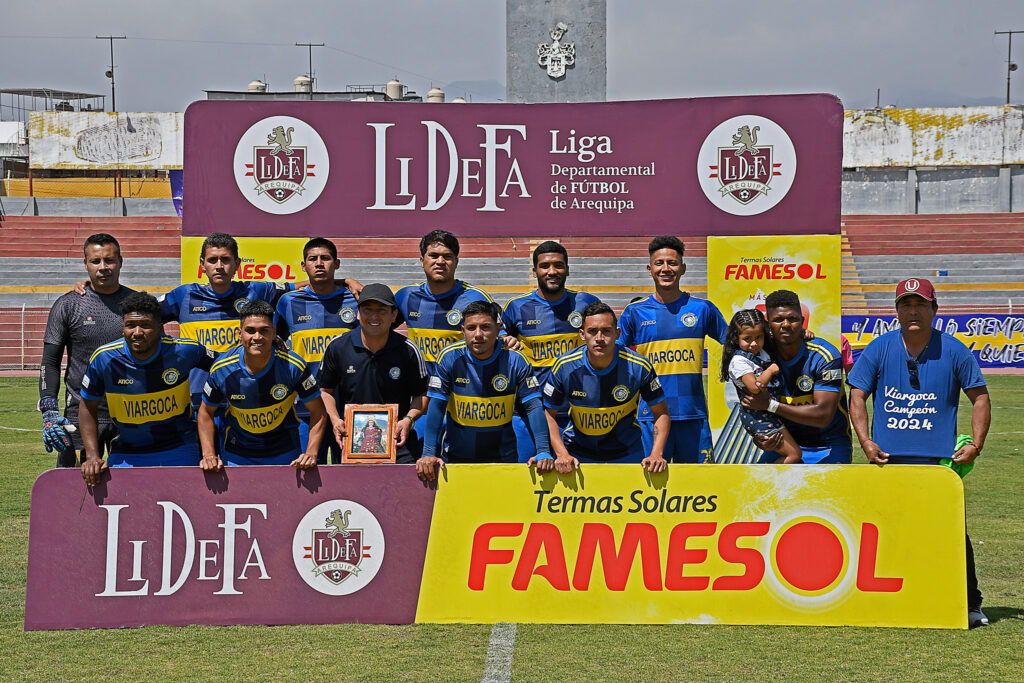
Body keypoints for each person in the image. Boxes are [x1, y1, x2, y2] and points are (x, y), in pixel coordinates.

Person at [847, 277, 991, 628]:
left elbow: (980, 398)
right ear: (896, 311)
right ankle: (892, 597)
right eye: (905, 305)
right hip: (887, 460)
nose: (913, 311)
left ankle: (970, 602)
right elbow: (856, 397)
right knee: (885, 530)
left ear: (934, 309)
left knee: (951, 531)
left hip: (938, 463)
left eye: (920, 304)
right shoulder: (880, 348)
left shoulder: (955, 350)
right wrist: (866, 442)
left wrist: (976, 444)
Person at [78, 292, 217, 484]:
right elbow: (87, 406)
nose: (137, 332)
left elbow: (226, 365)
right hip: (126, 452)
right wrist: (93, 456)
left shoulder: (185, 350)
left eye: (145, 325)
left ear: (159, 328)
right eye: (130, 325)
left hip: (179, 448)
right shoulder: (104, 358)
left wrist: (269, 349)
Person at [619, 236, 728, 463]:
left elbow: (736, 342)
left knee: (701, 485)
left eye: (673, 263)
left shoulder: (702, 308)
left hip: (693, 414)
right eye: (659, 263)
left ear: (683, 268)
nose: (666, 268)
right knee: (653, 487)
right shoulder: (634, 312)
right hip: (652, 415)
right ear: (650, 269)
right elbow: (615, 357)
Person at [416, 301, 550, 482]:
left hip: (503, 458)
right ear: (463, 330)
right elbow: (437, 406)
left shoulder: (516, 360)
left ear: (498, 329)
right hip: (457, 459)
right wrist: (428, 453)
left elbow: (533, 406)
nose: (478, 334)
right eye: (472, 328)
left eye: (485, 327)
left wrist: (543, 451)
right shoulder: (449, 357)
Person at [39, 233, 135, 467]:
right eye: (95, 261)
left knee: (131, 490)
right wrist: (48, 409)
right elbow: (49, 363)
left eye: (109, 260)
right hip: (79, 414)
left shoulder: (137, 304)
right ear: (86, 264)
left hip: (130, 413)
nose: (103, 267)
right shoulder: (68, 304)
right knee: (71, 491)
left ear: (120, 261)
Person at [541, 301, 669, 472]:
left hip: (627, 452)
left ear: (617, 333)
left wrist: (656, 454)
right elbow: (548, 414)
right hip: (579, 453)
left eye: (606, 331)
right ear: (582, 334)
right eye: (592, 331)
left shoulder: (638, 366)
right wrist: (561, 453)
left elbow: (661, 413)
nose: (599, 338)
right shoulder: (565, 366)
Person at [501, 240, 600, 462]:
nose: (552, 271)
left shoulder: (585, 302)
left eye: (558, 265)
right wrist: (504, 339)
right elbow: (497, 337)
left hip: (576, 411)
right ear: (535, 270)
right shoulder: (517, 307)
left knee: (577, 480)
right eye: (545, 266)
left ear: (567, 268)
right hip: (529, 411)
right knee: (526, 477)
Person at [198, 300, 325, 468]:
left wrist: (311, 452)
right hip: (238, 454)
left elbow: (319, 411)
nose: (257, 337)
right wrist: (208, 454)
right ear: (239, 333)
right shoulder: (222, 369)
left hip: (284, 452)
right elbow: (206, 412)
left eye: (263, 331)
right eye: (250, 331)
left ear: (273, 333)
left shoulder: (293, 366)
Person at [318, 283, 429, 464]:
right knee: (350, 492)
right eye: (367, 310)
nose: (374, 316)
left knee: (401, 491)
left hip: (397, 442)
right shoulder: (338, 346)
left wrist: (408, 419)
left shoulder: (408, 350)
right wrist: (335, 419)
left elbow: (422, 395)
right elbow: (325, 391)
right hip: (351, 441)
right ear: (358, 313)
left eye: (382, 311)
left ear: (394, 315)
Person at [741, 289, 852, 464]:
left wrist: (770, 405)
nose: (786, 324)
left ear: (802, 321)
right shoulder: (760, 357)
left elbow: (823, 415)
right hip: (786, 443)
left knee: (826, 491)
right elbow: (754, 406)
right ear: (768, 324)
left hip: (828, 446)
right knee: (758, 488)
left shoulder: (825, 356)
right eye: (778, 320)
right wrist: (760, 437)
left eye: (792, 319)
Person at [275, 238, 359, 463]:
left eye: (326, 258)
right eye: (313, 259)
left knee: (353, 476)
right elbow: (273, 342)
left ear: (337, 263)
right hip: (306, 408)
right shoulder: (288, 302)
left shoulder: (355, 299)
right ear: (304, 266)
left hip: (349, 407)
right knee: (306, 471)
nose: (319, 263)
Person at [395, 229, 514, 372]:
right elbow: (376, 318)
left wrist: (507, 340)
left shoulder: (475, 297)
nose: (440, 262)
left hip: (460, 387)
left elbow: (501, 337)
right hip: (422, 389)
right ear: (422, 261)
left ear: (456, 261)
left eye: (447, 256)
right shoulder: (406, 296)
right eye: (433, 255)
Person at [720, 309, 802, 464]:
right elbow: (755, 387)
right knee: (794, 455)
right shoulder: (739, 361)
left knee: (793, 455)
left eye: (758, 337)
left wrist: (803, 333)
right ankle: (763, 485)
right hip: (758, 417)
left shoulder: (762, 353)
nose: (754, 343)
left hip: (769, 412)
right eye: (747, 339)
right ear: (736, 339)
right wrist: (770, 370)